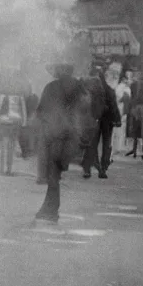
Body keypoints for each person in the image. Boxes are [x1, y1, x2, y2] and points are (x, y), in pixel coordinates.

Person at [35, 63, 86, 223]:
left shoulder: (51, 87)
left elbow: (41, 111)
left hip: (55, 135)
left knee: (53, 175)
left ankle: (51, 210)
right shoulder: (80, 88)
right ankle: (49, 208)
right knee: (55, 174)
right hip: (71, 137)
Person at [81, 68, 120, 178]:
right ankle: (103, 169)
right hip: (107, 121)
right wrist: (117, 119)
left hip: (95, 119)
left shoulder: (90, 90)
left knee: (92, 144)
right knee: (106, 145)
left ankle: (87, 168)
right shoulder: (109, 90)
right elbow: (113, 106)